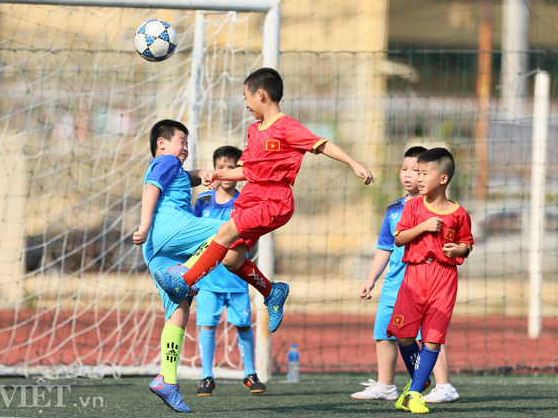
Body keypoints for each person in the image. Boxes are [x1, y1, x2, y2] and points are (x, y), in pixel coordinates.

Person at [153, 67, 374, 334]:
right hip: (250, 197)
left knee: (223, 233)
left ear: (261, 94)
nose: (245, 103)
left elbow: (322, 144)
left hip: (274, 201)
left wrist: (354, 163)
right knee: (231, 260)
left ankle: (185, 282)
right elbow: (246, 170)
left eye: (246, 97)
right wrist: (217, 173)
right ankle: (272, 292)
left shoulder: (287, 127)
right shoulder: (254, 131)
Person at [133, 120, 232, 412]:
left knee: (180, 309)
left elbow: (181, 177)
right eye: (181, 141)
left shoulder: (174, 168)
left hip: (156, 250)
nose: (185, 147)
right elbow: (152, 188)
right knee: (229, 229)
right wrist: (146, 221)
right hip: (170, 228)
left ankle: (168, 380)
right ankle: (187, 269)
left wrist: (199, 174)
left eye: (187, 143)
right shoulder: (164, 161)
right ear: (162, 144)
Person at [352, 146, 459, 404]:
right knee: (385, 332)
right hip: (394, 285)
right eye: (406, 169)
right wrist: (371, 279)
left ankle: (443, 385)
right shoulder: (394, 210)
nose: (412, 175)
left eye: (418, 171)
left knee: (430, 336)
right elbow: (385, 247)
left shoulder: (439, 210)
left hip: (424, 284)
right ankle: (386, 385)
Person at [387, 147, 474, 414]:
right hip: (414, 278)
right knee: (402, 335)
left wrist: (459, 249)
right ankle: (420, 377)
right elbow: (399, 238)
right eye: (416, 172)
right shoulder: (413, 207)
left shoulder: (459, 213)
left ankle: (413, 392)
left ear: (444, 178)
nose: (419, 178)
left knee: (433, 339)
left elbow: (467, 243)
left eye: (425, 173)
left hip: (444, 279)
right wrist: (423, 227)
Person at [193, 146, 265, 396]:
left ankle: (250, 373)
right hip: (209, 280)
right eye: (220, 167)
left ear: (239, 171)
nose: (225, 172)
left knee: (244, 325)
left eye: (231, 167)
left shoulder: (245, 201)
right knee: (208, 326)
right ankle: (206, 377)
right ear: (213, 169)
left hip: (236, 279)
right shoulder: (202, 201)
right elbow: (194, 239)